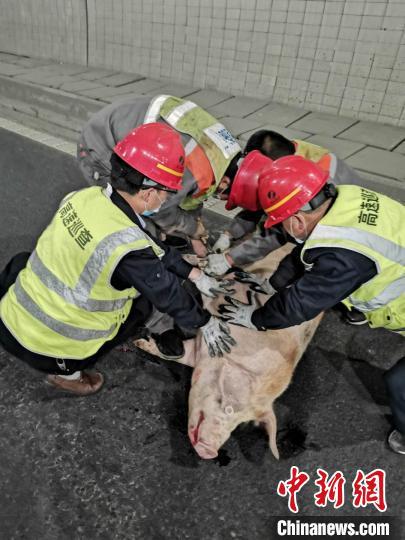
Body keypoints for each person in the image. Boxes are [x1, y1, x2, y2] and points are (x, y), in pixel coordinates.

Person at [0, 123, 236, 396]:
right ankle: (68, 374)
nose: (168, 198)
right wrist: (206, 323)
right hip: (48, 346)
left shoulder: (85, 197)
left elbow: (150, 245)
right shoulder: (128, 248)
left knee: (23, 261)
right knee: (142, 305)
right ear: (149, 193)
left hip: (9, 315)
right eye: (168, 192)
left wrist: (195, 274)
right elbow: (168, 294)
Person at [219, 155, 405, 454]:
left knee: (400, 384)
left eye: (281, 223)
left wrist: (256, 318)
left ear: (296, 219)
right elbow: (305, 253)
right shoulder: (344, 199)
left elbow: (301, 303)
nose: (282, 229)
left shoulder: (343, 254)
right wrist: (272, 284)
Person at [206, 130, 368, 325]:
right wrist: (230, 233)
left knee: (332, 274)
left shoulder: (310, 189)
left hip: (354, 232)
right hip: (352, 211)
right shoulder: (289, 154)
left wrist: (258, 319)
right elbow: (262, 203)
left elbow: (277, 234)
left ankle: (358, 307)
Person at [77, 95, 242, 257]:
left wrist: (194, 231)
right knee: (139, 223)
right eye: (224, 197)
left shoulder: (221, 154)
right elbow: (158, 208)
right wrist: (192, 228)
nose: (219, 198)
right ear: (225, 182)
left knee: (159, 215)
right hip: (100, 149)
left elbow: (191, 198)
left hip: (121, 124)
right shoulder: (190, 165)